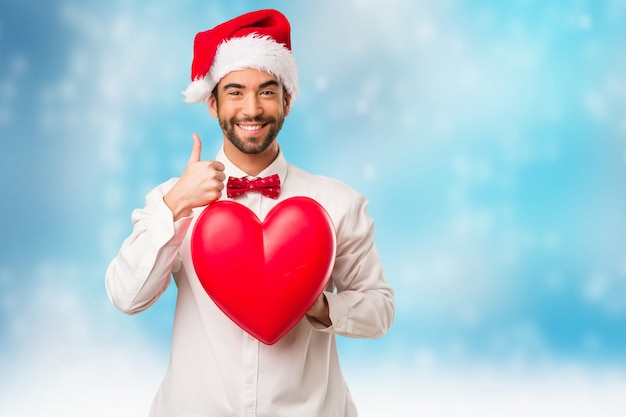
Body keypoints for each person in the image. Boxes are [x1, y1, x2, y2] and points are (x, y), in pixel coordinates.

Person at [105, 9, 394, 417]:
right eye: (236, 91)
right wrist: (176, 207)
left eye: (267, 91)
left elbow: (380, 310)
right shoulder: (173, 198)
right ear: (213, 104)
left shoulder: (339, 203)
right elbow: (125, 296)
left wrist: (318, 304)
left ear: (287, 101)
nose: (252, 109)